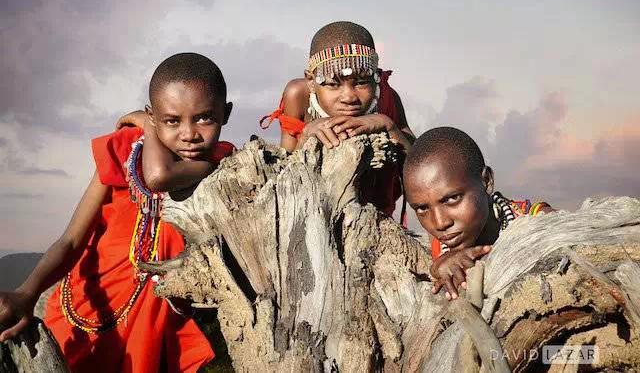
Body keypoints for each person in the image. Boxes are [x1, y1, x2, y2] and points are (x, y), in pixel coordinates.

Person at [0, 52, 234, 372]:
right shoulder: (125, 149)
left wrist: (149, 127)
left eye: (204, 118)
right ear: (154, 116)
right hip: (84, 310)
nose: (189, 133)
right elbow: (71, 239)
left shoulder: (223, 163)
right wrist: (27, 292)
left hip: (153, 322)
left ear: (226, 113)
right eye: (171, 120)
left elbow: (158, 176)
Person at [260, 21, 415, 217]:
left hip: (377, 217)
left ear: (375, 76)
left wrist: (387, 124)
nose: (349, 97)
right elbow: (283, 171)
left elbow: (417, 163)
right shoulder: (298, 95)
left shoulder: (386, 98)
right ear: (311, 81)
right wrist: (307, 134)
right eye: (333, 84)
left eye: (361, 83)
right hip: (309, 215)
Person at [403, 126, 552, 301]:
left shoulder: (538, 221)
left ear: (486, 181)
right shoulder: (438, 245)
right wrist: (437, 267)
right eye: (422, 208)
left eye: (452, 199)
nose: (439, 223)